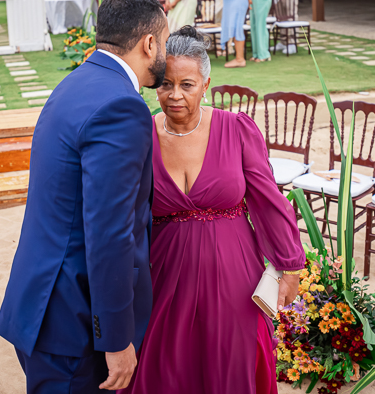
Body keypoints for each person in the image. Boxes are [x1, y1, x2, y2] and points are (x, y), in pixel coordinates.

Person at [0, 0, 168, 394]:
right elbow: (110, 233)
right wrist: (116, 339)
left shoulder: (76, 82)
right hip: (73, 322)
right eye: (164, 39)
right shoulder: (123, 107)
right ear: (148, 43)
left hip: (40, 302)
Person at [121, 26, 305, 394]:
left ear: (206, 84)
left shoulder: (236, 129)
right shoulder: (140, 135)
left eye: (186, 85)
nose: (175, 95)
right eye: (165, 84)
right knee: (166, 367)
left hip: (235, 278)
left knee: (232, 365)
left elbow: (269, 201)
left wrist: (291, 266)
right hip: (165, 278)